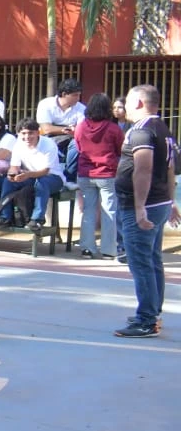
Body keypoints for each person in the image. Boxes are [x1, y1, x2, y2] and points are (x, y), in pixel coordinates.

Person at [114, 84, 179, 338]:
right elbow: (171, 168)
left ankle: (147, 320)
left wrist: (140, 207)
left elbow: (143, 169)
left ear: (139, 103)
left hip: (143, 205)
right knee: (152, 260)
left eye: (128, 102)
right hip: (158, 203)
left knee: (141, 262)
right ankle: (153, 311)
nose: (125, 107)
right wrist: (170, 201)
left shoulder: (141, 131)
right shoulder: (163, 129)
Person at [74, 93, 124, 260]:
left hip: (85, 173)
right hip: (107, 173)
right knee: (109, 211)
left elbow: (79, 147)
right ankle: (108, 250)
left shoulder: (80, 126)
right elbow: (120, 150)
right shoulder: (113, 128)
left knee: (88, 210)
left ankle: (87, 249)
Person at [0, 119, 64, 232]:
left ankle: (37, 219)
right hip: (29, 176)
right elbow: (14, 166)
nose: (27, 136)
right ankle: (4, 217)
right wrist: (12, 174)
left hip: (52, 178)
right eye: (23, 133)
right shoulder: (18, 144)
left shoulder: (49, 144)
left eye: (31, 133)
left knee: (42, 182)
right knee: (8, 182)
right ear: (18, 134)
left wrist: (28, 175)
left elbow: (45, 171)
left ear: (38, 132)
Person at [36, 78, 85, 181]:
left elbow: (81, 130)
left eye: (79, 95)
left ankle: (69, 178)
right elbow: (46, 129)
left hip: (71, 139)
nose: (78, 98)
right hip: (48, 137)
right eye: (75, 95)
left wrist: (70, 130)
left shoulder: (81, 108)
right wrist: (67, 129)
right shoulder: (46, 104)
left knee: (77, 144)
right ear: (64, 94)